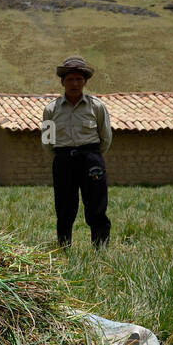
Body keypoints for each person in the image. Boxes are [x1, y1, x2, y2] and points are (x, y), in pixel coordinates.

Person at [40, 55, 112, 248]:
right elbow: (47, 141)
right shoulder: (50, 109)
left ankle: (101, 249)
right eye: (70, 79)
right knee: (64, 207)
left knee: (96, 206)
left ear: (85, 81)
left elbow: (106, 138)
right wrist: (61, 157)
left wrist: (91, 155)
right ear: (62, 82)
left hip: (91, 160)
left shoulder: (97, 107)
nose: (74, 83)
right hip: (63, 161)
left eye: (79, 79)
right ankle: (64, 247)